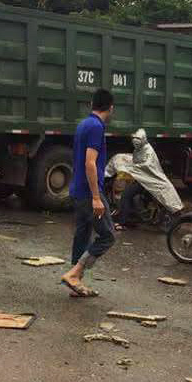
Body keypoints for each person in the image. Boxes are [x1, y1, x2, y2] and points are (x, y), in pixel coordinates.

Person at [61, 89, 116, 297]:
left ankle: (75, 283)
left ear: (92, 104)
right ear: (111, 107)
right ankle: (75, 274)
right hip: (88, 192)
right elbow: (90, 163)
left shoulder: (84, 124)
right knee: (108, 236)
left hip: (77, 189)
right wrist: (96, 197)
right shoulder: (96, 127)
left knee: (82, 234)